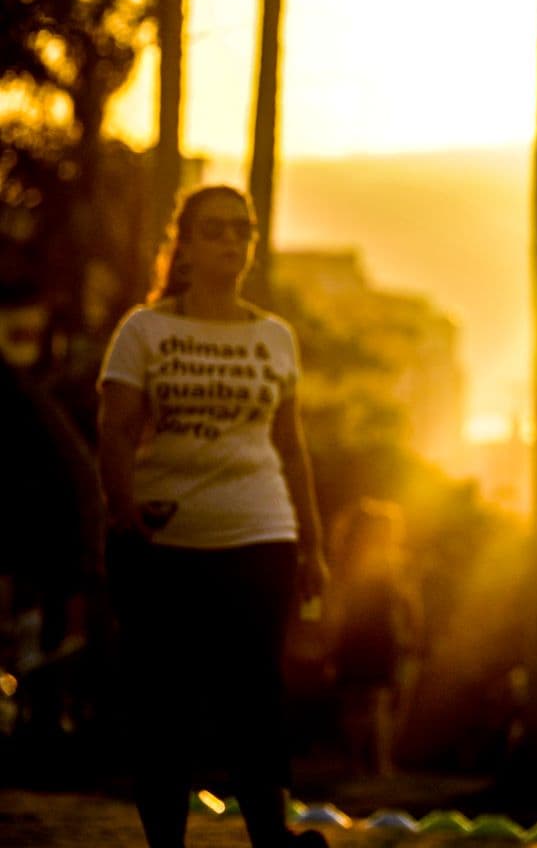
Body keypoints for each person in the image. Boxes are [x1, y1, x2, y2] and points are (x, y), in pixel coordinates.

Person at [96, 185, 330, 848]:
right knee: (165, 707)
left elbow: (291, 444)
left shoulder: (275, 337)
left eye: (241, 229)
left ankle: (271, 839)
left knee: (254, 698)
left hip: (260, 536)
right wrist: (123, 515)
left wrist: (311, 543)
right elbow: (114, 431)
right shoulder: (146, 331)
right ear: (186, 245)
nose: (231, 240)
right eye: (214, 229)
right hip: (164, 544)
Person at [329, 498, 421, 777]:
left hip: (382, 637)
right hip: (364, 636)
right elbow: (338, 602)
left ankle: (371, 762)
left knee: (374, 700)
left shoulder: (392, 562)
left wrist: (413, 631)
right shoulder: (357, 564)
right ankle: (371, 763)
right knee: (365, 700)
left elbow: (409, 603)